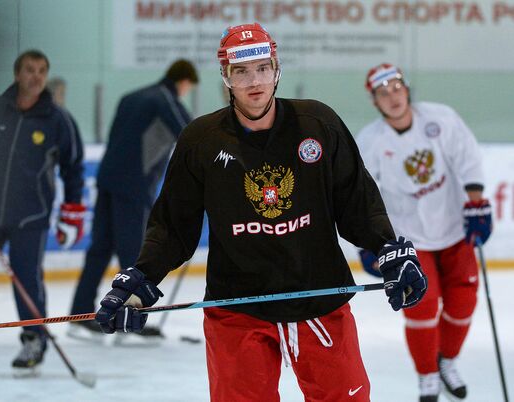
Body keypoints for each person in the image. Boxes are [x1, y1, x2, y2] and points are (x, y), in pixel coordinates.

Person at [91, 23, 428, 401]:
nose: (255, 81)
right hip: (237, 307)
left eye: (263, 68)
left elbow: (356, 201)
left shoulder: (318, 124)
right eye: (241, 71)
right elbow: (173, 226)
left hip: (318, 296)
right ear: (226, 76)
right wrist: (140, 279)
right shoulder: (201, 140)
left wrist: (389, 251)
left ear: (277, 70)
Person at [356, 63, 492, 402]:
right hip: (409, 240)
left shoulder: (440, 119)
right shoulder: (371, 141)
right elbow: (362, 195)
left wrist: (476, 203)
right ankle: (427, 375)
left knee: (463, 303)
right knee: (421, 305)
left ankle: (447, 361)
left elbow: (468, 158)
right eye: (383, 93)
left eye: (396, 88)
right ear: (375, 101)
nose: (392, 97)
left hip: (454, 229)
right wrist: (369, 242)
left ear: (406, 89)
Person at [0, 49, 85, 373]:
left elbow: (73, 168)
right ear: (17, 74)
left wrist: (72, 212)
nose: (36, 76)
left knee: (27, 284)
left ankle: (34, 340)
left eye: (42, 71)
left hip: (30, 217)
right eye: (30, 70)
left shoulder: (57, 119)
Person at [68, 59, 198, 338]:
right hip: (134, 184)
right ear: (184, 82)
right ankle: (130, 317)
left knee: (100, 248)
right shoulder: (165, 98)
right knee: (137, 253)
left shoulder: (132, 97)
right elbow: (191, 134)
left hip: (108, 179)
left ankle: (80, 312)